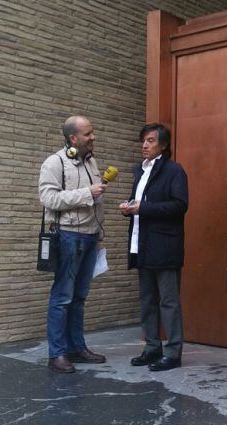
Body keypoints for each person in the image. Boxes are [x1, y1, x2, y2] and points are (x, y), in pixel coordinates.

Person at [38, 115, 108, 373]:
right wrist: (87, 193)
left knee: (79, 297)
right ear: (73, 138)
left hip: (90, 236)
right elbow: (48, 198)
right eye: (88, 133)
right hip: (68, 236)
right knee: (62, 297)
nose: (93, 137)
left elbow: (96, 203)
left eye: (93, 132)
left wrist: (100, 235)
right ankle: (56, 354)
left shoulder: (91, 161)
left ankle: (77, 348)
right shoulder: (54, 163)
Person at [120, 123, 188, 372]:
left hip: (165, 246)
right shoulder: (140, 171)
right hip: (142, 243)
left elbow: (179, 205)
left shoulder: (174, 171)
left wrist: (143, 208)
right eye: (143, 141)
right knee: (147, 300)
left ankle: (173, 352)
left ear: (164, 145)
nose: (145, 145)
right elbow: (142, 203)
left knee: (168, 302)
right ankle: (151, 348)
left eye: (150, 141)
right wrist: (129, 207)